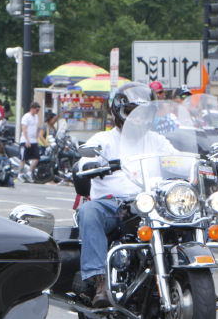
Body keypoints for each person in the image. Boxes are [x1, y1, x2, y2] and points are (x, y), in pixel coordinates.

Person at [74, 85, 177, 305]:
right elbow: (84, 160)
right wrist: (90, 163)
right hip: (114, 206)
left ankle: (190, 275)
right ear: (119, 112)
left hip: (152, 205)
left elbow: (178, 160)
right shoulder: (103, 140)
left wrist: (201, 165)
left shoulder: (157, 141)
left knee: (190, 211)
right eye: (132, 113)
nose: (138, 119)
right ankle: (98, 280)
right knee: (88, 210)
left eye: (144, 114)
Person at [20, 102, 41, 172]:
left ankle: (29, 172)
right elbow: (24, 128)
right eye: (37, 110)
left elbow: (36, 129)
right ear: (32, 108)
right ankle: (20, 173)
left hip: (33, 140)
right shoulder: (26, 116)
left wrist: (36, 139)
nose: (38, 112)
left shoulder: (36, 117)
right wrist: (27, 140)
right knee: (23, 158)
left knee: (36, 157)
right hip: (25, 140)